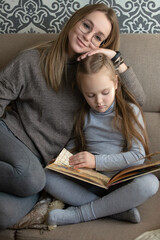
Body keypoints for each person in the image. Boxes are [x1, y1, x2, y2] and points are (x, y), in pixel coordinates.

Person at [0, 3, 146, 229]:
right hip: (10, 137)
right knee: (31, 178)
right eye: (86, 25)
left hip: (39, 164)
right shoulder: (30, 60)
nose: (88, 37)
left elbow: (138, 102)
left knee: (5, 215)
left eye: (98, 37)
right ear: (74, 21)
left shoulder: (92, 81)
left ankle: (105, 208)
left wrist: (114, 58)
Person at [45, 53, 159, 226]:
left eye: (105, 92)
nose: (99, 101)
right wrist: (66, 160)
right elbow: (74, 144)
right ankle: (116, 210)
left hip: (122, 183)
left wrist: (96, 161)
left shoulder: (130, 111)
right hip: (92, 181)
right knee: (45, 176)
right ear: (82, 91)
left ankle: (80, 214)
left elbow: (139, 156)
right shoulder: (82, 115)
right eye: (90, 95)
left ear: (115, 83)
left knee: (150, 183)